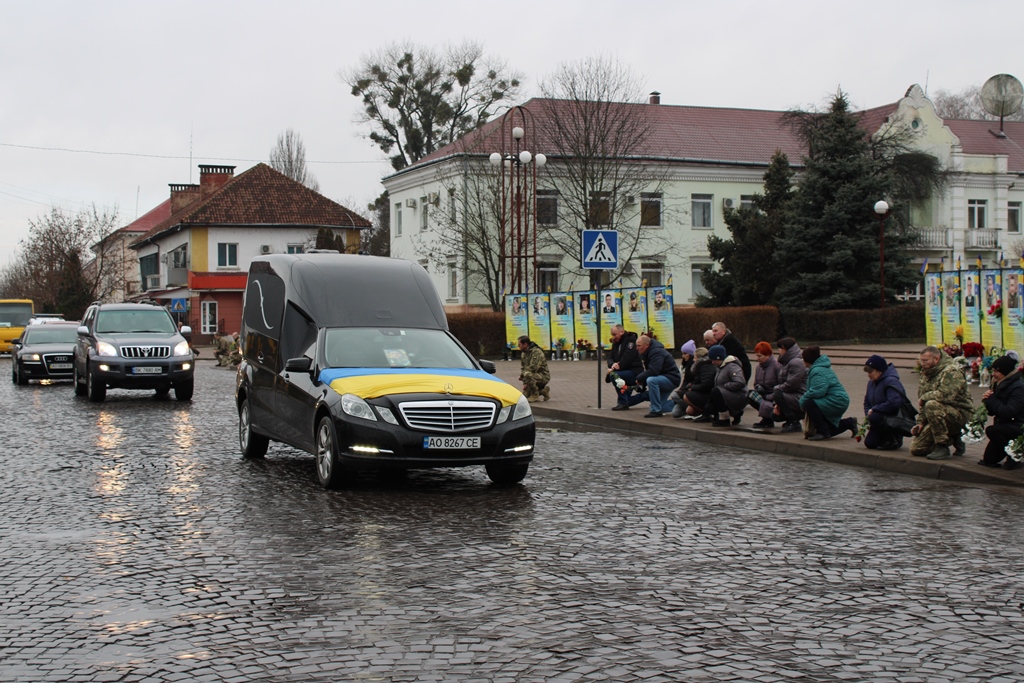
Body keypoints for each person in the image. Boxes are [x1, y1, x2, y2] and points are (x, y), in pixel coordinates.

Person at [911, 345, 972, 459]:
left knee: (932, 404)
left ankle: (942, 445)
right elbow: (923, 404)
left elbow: (946, 395)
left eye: (925, 361)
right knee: (917, 449)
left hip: (960, 413)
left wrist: (925, 397)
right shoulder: (926, 373)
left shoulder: (951, 371)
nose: (922, 364)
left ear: (936, 359)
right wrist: (920, 423)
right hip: (938, 414)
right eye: (921, 360)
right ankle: (952, 437)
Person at [799, 346, 855, 441]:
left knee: (809, 403)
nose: (802, 360)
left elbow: (817, 391)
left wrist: (802, 401)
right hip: (836, 399)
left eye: (803, 358)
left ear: (808, 360)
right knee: (829, 428)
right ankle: (850, 423)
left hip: (836, 400)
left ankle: (823, 432)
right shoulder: (819, 368)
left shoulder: (817, 371)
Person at [979, 355, 1024, 469]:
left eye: (996, 371)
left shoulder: (1018, 388)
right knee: (988, 460)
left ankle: (1015, 454)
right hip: (1004, 426)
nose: (993, 374)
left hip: (1018, 426)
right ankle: (1011, 451)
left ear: (1005, 371)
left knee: (991, 430)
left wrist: (992, 399)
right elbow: (993, 412)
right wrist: (987, 401)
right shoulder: (1001, 383)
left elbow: (1009, 412)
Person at [861, 354, 910, 450]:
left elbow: (894, 403)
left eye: (870, 372)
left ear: (879, 371)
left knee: (875, 417)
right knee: (870, 443)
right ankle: (884, 437)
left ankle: (894, 437)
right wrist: (868, 414)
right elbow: (867, 402)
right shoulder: (871, 383)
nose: (868, 375)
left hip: (893, 417)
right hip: (879, 417)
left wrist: (874, 410)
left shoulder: (891, 381)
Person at [695, 344, 747, 426]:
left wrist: (725, 387)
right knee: (709, 407)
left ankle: (724, 418)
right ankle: (729, 414)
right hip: (728, 394)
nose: (712, 362)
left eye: (713, 360)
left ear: (719, 358)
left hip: (739, 395)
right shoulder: (719, 367)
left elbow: (740, 382)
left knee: (716, 391)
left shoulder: (732, 366)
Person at [633, 334, 680, 418]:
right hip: (663, 378)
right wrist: (642, 383)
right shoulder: (648, 352)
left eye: (639, 345)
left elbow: (654, 370)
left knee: (651, 380)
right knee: (660, 406)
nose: (637, 348)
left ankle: (655, 411)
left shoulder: (656, 352)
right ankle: (681, 404)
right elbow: (651, 371)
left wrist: (639, 378)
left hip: (671, 378)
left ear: (647, 345)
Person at [773, 337, 807, 433]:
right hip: (794, 395)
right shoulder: (786, 362)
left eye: (781, 348)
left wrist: (777, 389)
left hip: (801, 395)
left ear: (788, 350)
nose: (779, 350)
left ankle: (794, 422)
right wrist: (776, 404)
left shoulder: (796, 362)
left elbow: (792, 384)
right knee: (774, 415)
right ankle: (791, 420)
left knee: (778, 394)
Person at [606, 324, 643, 411]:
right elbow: (610, 357)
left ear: (622, 332)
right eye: (612, 335)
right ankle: (647, 396)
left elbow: (628, 356)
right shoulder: (616, 342)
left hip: (634, 371)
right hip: (623, 371)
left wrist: (616, 367)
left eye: (615, 334)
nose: (613, 337)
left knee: (614, 375)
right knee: (628, 400)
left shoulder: (631, 339)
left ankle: (622, 403)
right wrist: (612, 364)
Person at [751, 341, 782, 429]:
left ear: (768, 355)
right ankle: (766, 418)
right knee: (749, 395)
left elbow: (781, 385)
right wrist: (758, 387)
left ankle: (768, 418)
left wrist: (769, 396)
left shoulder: (777, 366)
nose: (757, 359)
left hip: (773, 396)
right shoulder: (758, 367)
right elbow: (756, 383)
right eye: (757, 356)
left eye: (760, 356)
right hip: (763, 394)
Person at [517, 335, 550, 402]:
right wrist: (525, 383)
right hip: (531, 375)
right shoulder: (524, 353)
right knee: (524, 397)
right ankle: (543, 391)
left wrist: (523, 376)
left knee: (527, 374)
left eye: (519, 344)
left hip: (543, 376)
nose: (518, 346)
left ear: (525, 344)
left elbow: (533, 367)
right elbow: (523, 368)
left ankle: (535, 395)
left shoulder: (536, 352)